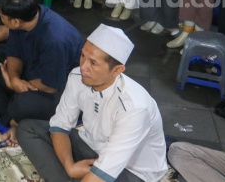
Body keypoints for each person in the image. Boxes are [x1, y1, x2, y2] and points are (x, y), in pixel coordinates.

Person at [16, 24, 168, 182]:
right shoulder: (77, 77)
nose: (83, 67)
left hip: (130, 170)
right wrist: (70, 168)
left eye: (93, 63)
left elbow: (106, 171)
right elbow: (60, 126)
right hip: (92, 146)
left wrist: (90, 174)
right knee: (28, 129)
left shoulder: (134, 107)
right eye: (83, 56)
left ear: (117, 70)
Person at [0, 0, 84, 146]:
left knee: (21, 106)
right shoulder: (24, 20)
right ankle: (14, 123)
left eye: (2, 17)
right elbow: (14, 54)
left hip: (61, 91)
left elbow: (50, 85)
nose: (1, 20)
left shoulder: (54, 39)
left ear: (16, 21)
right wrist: (14, 79)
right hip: (31, 77)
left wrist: (14, 85)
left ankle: (15, 117)